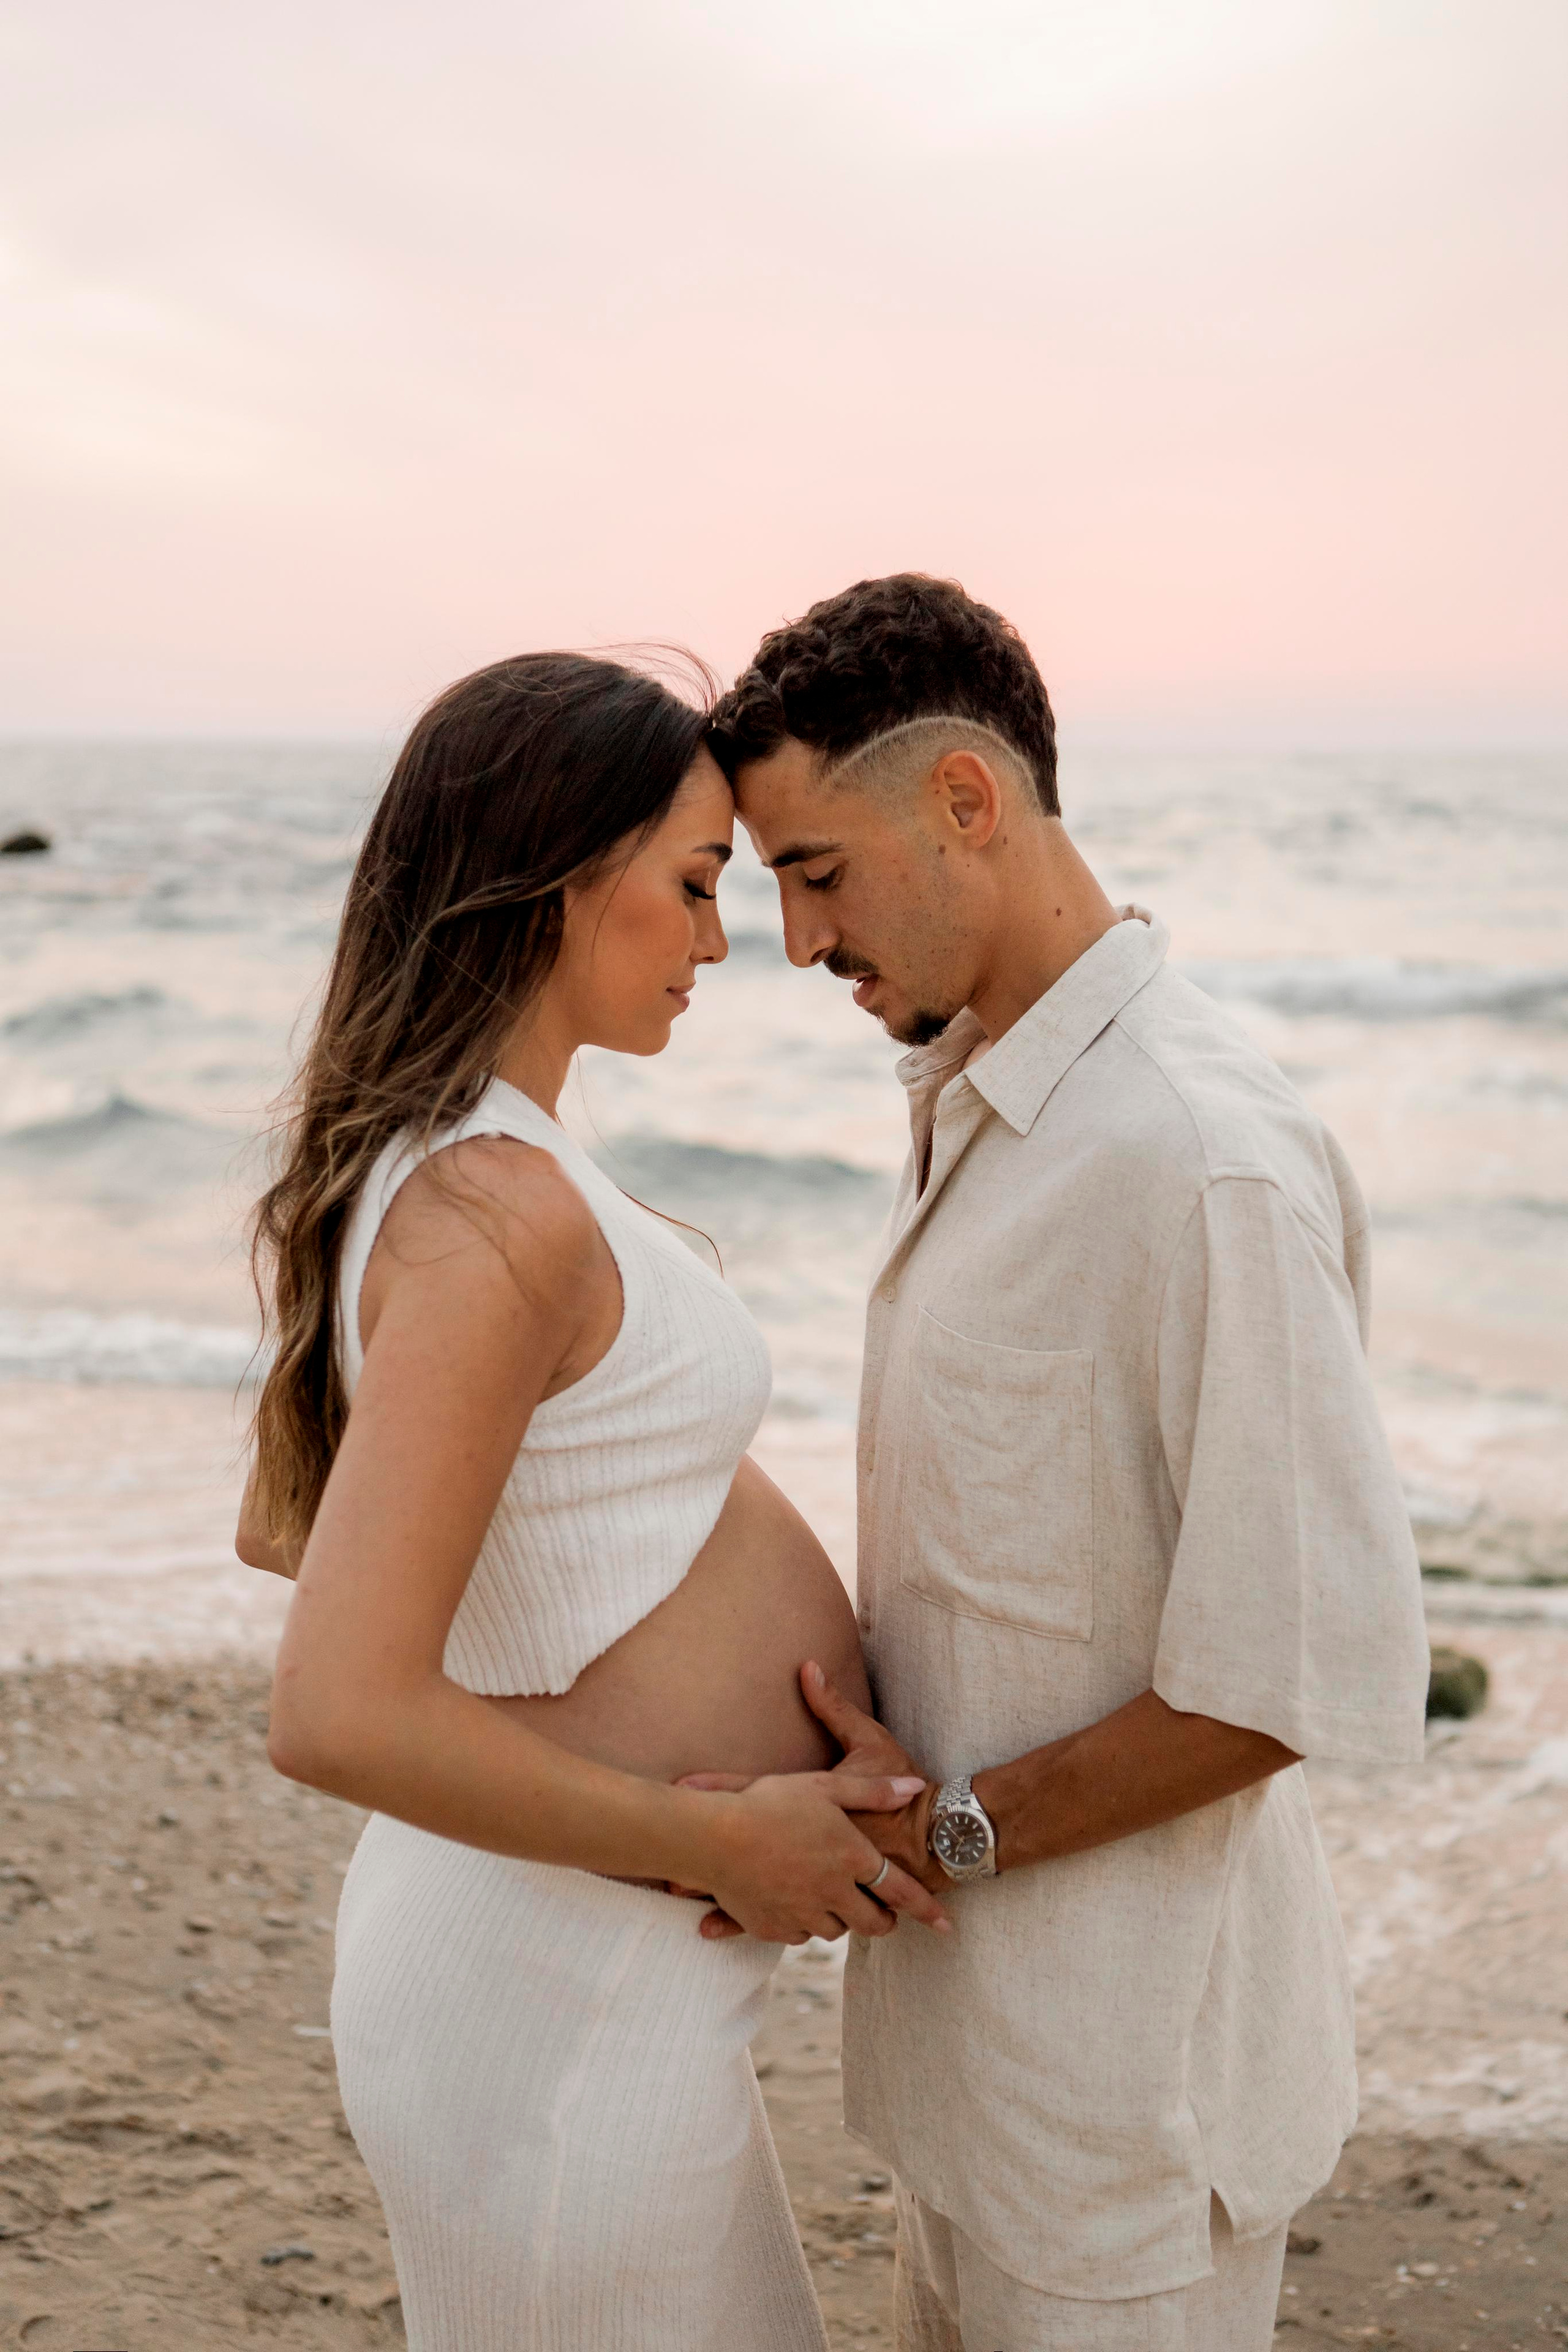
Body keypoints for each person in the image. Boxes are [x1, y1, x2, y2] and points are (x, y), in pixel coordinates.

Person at [706, 575, 1431, 2351]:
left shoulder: (1197, 1159)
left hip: (1127, 2128)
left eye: (817, 872)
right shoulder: (987, 1096)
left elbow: (1288, 1676)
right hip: (967, 2089)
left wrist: (945, 1838)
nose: (795, 941)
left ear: (966, 799)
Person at [236, 651, 949, 2352]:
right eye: (695, 884)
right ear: (559, 875)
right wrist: (719, 1832)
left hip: (583, 1957)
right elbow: (335, 1710)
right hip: (556, 1983)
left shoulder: (456, 1166)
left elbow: (294, 1526)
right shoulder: (492, 1207)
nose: (721, 942)